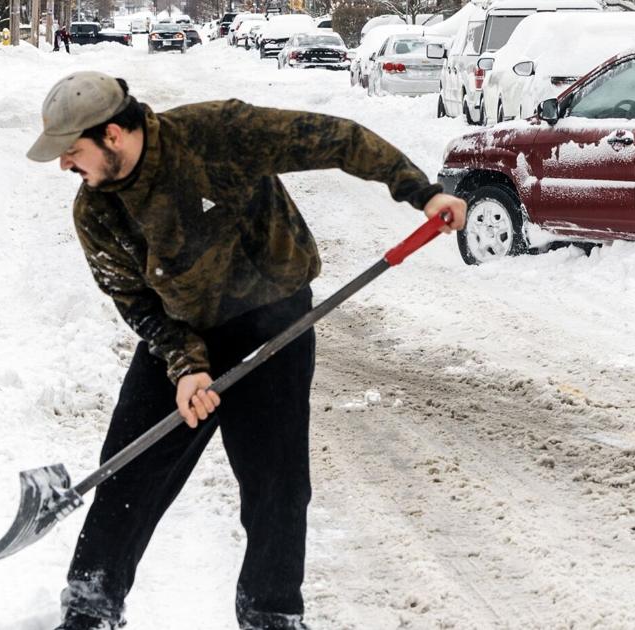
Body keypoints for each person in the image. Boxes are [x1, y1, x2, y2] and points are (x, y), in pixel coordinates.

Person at [25, 71, 467, 630]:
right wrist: (187, 368)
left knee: (277, 483)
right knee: (128, 465)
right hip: (182, 334)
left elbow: (337, 138)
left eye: (71, 152)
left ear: (113, 134)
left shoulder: (217, 133)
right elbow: (135, 301)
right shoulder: (96, 212)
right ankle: (90, 605)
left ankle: (271, 611)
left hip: (273, 322)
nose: (66, 166)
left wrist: (422, 192)